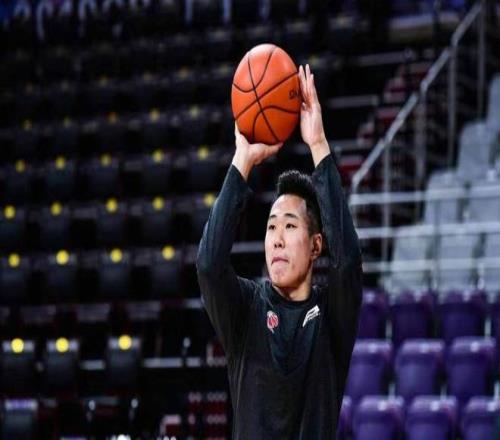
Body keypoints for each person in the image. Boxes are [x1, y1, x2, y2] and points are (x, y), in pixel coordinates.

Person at [197, 64, 363, 439]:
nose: (276, 238)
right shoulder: (245, 309)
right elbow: (209, 265)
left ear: (316, 245)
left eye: (289, 226)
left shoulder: (332, 315)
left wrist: (318, 144)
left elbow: (349, 261)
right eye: (271, 227)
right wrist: (243, 161)